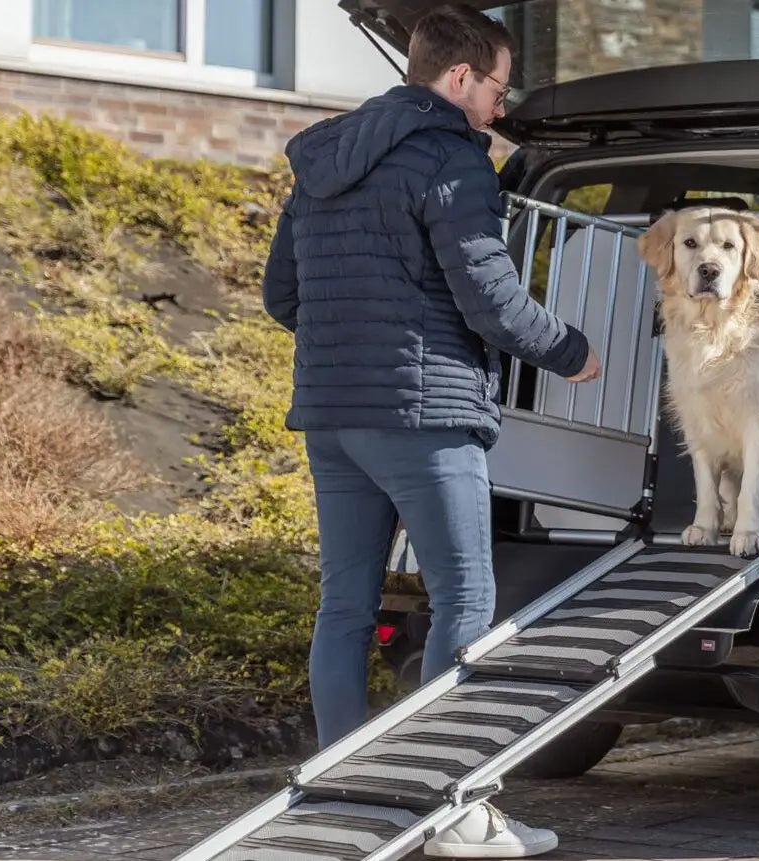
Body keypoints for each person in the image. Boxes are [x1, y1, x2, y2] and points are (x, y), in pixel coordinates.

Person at [260, 6, 599, 858]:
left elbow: (281, 298)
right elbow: (488, 296)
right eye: (496, 86)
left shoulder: (324, 156)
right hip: (424, 415)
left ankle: (342, 793)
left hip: (331, 413)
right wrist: (571, 351)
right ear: (457, 80)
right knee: (466, 602)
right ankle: (457, 810)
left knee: (345, 605)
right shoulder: (451, 160)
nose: (498, 105)